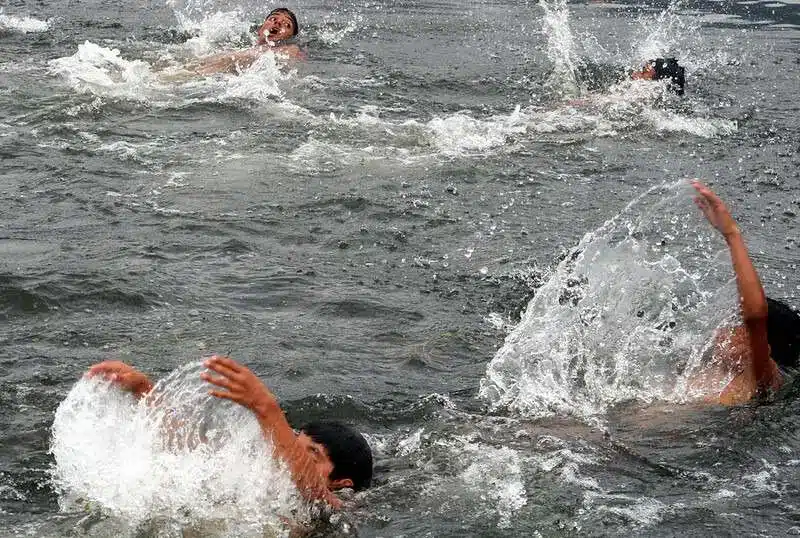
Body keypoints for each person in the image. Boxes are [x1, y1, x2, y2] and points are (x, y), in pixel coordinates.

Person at [85, 355, 373, 509]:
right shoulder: (257, 476)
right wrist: (144, 390)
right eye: (295, 443)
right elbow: (190, 452)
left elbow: (313, 492)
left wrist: (265, 406)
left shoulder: (341, 511)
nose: (291, 453)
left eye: (311, 455)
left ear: (342, 484)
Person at [690, 181, 800, 404]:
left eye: (735, 325)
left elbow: (756, 314)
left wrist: (732, 235)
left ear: (763, 347)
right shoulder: (707, 368)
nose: (723, 330)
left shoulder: (757, 382)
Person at [195, 7, 304, 75]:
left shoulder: (291, 49)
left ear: (290, 37)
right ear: (260, 29)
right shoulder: (237, 46)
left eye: (287, 24)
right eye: (273, 19)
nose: (278, 23)